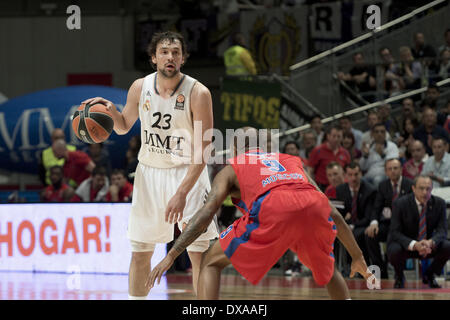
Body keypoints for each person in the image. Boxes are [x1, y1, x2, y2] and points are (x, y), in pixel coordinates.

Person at [147, 127, 371, 300]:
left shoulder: (232, 167)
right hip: (312, 207)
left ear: (234, 150)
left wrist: (172, 254)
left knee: (209, 261)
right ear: (264, 148)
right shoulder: (290, 161)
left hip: (273, 208)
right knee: (328, 269)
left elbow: (207, 212)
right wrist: (358, 257)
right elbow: (332, 212)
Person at [82, 31, 219, 299]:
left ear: (183, 58)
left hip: (188, 174)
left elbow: (203, 152)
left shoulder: (198, 92)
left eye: (176, 52)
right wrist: (109, 109)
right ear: (153, 57)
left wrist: (181, 192)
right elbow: (122, 127)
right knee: (141, 251)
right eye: (165, 52)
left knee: (199, 253)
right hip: (149, 174)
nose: (170, 56)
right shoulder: (139, 87)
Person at [387, 175, 450, 289]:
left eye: (428, 189)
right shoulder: (400, 204)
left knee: (447, 246)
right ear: (413, 188)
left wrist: (431, 242)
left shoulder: (439, 203)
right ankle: (399, 276)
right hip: (408, 244)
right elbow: (395, 232)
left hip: (428, 245)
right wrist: (414, 245)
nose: (425, 192)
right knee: (393, 249)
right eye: (421, 188)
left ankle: (430, 275)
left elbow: (442, 230)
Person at [365, 158, 414, 279]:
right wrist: (374, 222)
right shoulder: (383, 186)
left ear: (401, 170)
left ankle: (395, 269)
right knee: (370, 234)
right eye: (390, 169)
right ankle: (381, 268)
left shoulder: (410, 185)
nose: (393, 171)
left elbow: (412, 209)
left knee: (393, 239)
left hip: (404, 226)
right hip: (388, 223)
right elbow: (377, 207)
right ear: (386, 172)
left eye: (395, 168)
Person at [336, 161, 376, 267]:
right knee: (332, 234)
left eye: (356, 174)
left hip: (362, 225)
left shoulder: (369, 190)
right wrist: (347, 223)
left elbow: (368, 217)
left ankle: (357, 265)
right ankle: (336, 268)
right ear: (345, 176)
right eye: (350, 175)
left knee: (356, 235)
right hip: (347, 225)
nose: (353, 178)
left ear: (361, 174)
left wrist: (351, 225)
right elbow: (341, 213)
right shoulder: (340, 190)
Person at [308, 125, 351, 191]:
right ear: (328, 136)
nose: (336, 139)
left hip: (341, 187)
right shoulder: (318, 151)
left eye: (339, 136)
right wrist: (313, 187)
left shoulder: (345, 153)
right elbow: (310, 171)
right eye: (334, 136)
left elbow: (348, 171)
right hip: (322, 187)